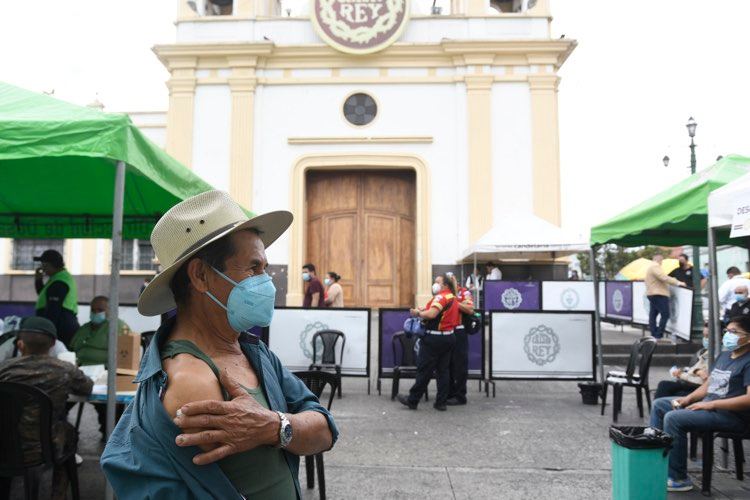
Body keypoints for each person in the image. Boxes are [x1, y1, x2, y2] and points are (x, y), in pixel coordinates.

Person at [101, 190, 337, 499]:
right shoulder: (192, 381)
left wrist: (273, 428)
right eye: (253, 268)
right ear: (200, 275)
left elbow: (325, 428)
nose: (266, 281)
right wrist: (289, 429)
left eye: (264, 268)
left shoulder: (252, 350)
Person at [650, 315, 750, 492]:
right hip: (709, 406)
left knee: (674, 418)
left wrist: (712, 405)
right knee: (660, 405)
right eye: (727, 331)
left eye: (735, 332)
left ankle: (678, 478)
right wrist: (688, 399)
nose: (729, 335)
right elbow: (709, 384)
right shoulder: (725, 355)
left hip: (731, 415)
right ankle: (657, 465)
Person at [0, 317, 93, 500]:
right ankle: (57, 495)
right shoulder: (64, 369)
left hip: (5, 443)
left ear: (20, 345)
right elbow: (87, 387)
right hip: (47, 446)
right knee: (69, 433)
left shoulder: (4, 369)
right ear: (52, 346)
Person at [69, 295, 133, 438]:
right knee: (60, 401)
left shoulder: (118, 327)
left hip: (104, 375)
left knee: (107, 407)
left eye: (100, 310)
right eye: (93, 310)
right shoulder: (84, 328)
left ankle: (109, 434)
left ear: (109, 310)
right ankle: (66, 433)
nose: (95, 313)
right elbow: (72, 348)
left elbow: (125, 356)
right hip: (79, 373)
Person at [397, 274, 460, 411]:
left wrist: (417, 313)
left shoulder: (441, 297)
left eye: (437, 282)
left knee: (424, 370)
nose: (434, 284)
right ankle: (441, 403)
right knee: (443, 371)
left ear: (445, 285)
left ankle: (412, 400)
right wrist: (423, 310)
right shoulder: (452, 297)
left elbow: (432, 314)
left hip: (433, 339)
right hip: (448, 337)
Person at [34, 250, 79, 348]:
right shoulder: (57, 278)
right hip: (61, 325)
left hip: (61, 327)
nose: (43, 269)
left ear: (52, 265)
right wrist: (38, 280)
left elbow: (53, 310)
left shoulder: (59, 282)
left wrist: (46, 332)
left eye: (44, 266)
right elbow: (43, 294)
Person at [654, 323, 709, 399]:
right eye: (704, 336)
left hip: (697, 387)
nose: (705, 339)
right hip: (691, 382)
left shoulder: (717, 354)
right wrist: (692, 371)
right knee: (664, 386)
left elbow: (701, 380)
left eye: (707, 336)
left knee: (664, 386)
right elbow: (695, 369)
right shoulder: (706, 351)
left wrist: (681, 375)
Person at [446, 273, 474, 406]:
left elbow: (470, 309)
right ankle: (449, 393)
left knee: (460, 365)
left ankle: (460, 395)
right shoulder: (443, 294)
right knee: (447, 364)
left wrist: (454, 301)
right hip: (446, 331)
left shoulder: (464, 293)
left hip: (459, 331)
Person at [644, 254, 686, 339]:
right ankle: (658, 334)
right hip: (659, 293)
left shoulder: (650, 267)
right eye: (661, 261)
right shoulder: (655, 266)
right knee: (665, 314)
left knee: (653, 314)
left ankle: (653, 333)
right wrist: (678, 282)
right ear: (659, 259)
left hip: (652, 293)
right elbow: (664, 277)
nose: (662, 263)